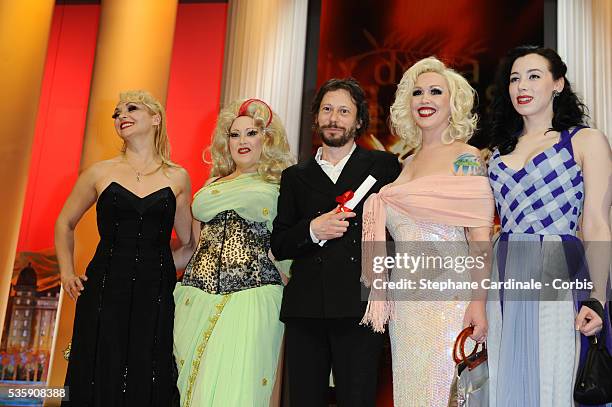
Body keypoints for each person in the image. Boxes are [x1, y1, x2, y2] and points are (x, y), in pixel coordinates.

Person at [359, 57, 494, 406]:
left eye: (436, 91)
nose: (425, 98)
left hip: (450, 297)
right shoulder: (404, 165)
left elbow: (480, 241)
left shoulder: (466, 157)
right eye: (417, 92)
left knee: (445, 393)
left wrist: (478, 303)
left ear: (454, 103)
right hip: (406, 307)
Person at [486, 45, 611, 406]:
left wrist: (599, 299)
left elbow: (598, 225)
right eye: (514, 79)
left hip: (560, 265)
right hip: (504, 269)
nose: (521, 86)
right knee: (503, 376)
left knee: (555, 375)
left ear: (558, 84)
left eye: (534, 76)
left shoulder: (585, 141)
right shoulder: (496, 152)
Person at [55, 90, 193, 406]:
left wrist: (156, 266)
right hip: (104, 285)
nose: (121, 116)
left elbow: (188, 244)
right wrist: (66, 272)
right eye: (116, 113)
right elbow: (64, 223)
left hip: (155, 291)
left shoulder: (178, 176)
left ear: (156, 119)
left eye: (131, 109)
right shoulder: (99, 172)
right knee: (98, 366)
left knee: (150, 367)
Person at [271, 78, 401, 407]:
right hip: (306, 310)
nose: (334, 118)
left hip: (360, 305)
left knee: (357, 399)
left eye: (344, 111)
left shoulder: (382, 167)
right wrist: (313, 229)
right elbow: (280, 243)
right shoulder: (294, 176)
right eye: (327, 110)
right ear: (316, 118)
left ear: (358, 121)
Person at [172, 98, 294, 407]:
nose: (241, 141)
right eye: (234, 134)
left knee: (240, 391)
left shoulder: (281, 183)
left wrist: (286, 273)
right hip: (195, 296)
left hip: (251, 297)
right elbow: (197, 243)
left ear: (266, 138)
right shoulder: (213, 182)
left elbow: (288, 244)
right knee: (192, 391)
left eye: (251, 133)